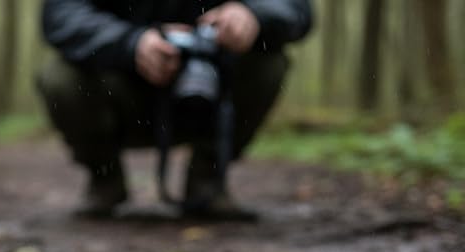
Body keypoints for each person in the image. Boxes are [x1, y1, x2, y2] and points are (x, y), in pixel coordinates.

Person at [37, 0, 313, 219]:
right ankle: (105, 177)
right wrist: (132, 43)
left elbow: (296, 8)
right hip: (124, 91)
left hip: (212, 90)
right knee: (60, 76)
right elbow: (61, 13)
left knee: (269, 59)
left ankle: (207, 178)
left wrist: (253, 15)